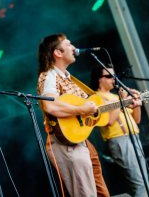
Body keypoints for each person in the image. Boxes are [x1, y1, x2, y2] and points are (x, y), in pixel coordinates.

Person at [36, 33, 110, 197]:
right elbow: (50, 104)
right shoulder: (50, 75)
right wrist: (82, 110)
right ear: (58, 53)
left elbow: (93, 111)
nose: (74, 48)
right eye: (69, 44)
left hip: (79, 140)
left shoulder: (68, 78)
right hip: (65, 143)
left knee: (99, 192)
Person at [90, 63, 149, 197]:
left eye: (114, 76)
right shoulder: (96, 98)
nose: (114, 79)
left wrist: (136, 103)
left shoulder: (116, 97)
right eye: (109, 76)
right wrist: (122, 101)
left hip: (134, 136)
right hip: (119, 140)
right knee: (139, 183)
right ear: (99, 79)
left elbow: (137, 120)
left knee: (145, 181)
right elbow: (110, 121)